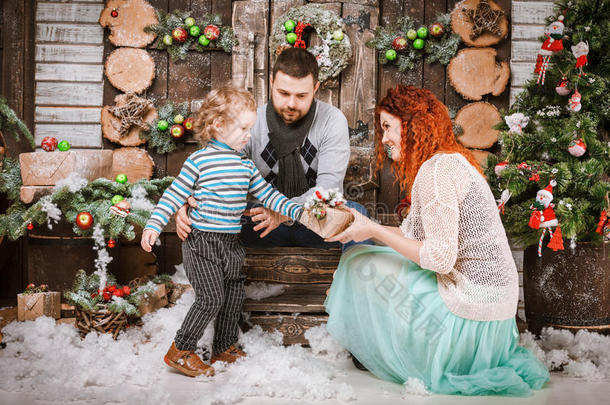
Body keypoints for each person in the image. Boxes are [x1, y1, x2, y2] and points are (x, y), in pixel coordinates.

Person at [323, 85, 550, 396]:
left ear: (414, 125)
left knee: (360, 263)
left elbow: (439, 258)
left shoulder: (438, 171)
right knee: (367, 255)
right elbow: (413, 239)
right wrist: (363, 226)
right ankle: (391, 344)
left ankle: (395, 352)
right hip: (493, 319)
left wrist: (373, 231)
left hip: (471, 317)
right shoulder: (447, 162)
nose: (385, 139)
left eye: (389, 127)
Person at [140, 86, 303, 378]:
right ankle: (180, 350)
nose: (248, 135)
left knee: (232, 294)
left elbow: (268, 195)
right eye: (243, 128)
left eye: (249, 128)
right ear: (218, 125)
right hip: (202, 242)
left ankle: (224, 345)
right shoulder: (199, 161)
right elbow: (175, 194)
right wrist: (154, 224)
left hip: (230, 242)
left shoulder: (244, 164)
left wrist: (295, 210)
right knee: (211, 298)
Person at [176, 48, 372, 250]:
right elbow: (216, 170)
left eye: (301, 96)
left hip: (315, 221)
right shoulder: (250, 121)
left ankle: (353, 280)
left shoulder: (331, 120)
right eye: (283, 93)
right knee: (203, 217)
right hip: (263, 222)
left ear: (315, 88)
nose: (291, 104)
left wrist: (284, 212)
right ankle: (213, 279)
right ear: (271, 83)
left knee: (357, 215)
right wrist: (188, 203)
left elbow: (328, 189)